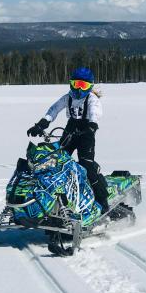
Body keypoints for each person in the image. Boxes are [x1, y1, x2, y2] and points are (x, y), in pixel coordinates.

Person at [27, 67, 109, 212]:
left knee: (87, 166)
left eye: (83, 85)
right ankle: (53, 198)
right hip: (70, 130)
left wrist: (92, 126)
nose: (78, 88)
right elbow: (54, 109)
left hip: (86, 132)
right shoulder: (68, 97)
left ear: (90, 86)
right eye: (76, 83)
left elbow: (94, 113)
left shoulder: (92, 99)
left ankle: (103, 201)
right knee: (56, 160)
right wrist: (42, 124)